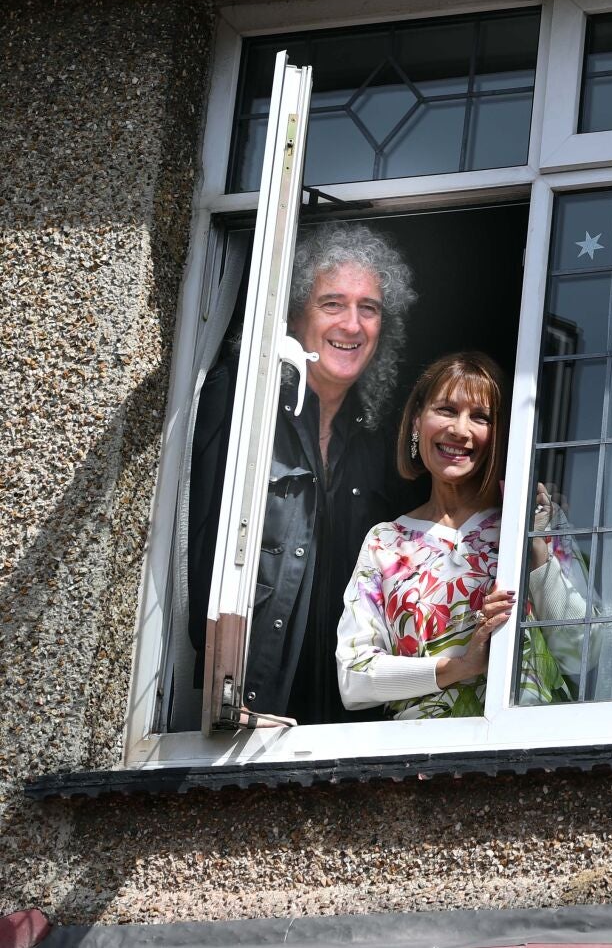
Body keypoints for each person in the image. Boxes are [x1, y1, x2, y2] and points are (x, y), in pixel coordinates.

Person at [188, 223, 422, 727]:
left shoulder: (379, 438)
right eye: (332, 304)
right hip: (244, 707)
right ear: (294, 315)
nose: (352, 325)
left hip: (342, 715)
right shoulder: (240, 402)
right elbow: (189, 543)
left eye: (370, 309)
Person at [336, 352, 588, 719]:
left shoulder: (534, 520)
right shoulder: (386, 542)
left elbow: (582, 652)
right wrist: (461, 666)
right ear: (417, 421)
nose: (460, 429)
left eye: (480, 417)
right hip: (419, 762)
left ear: (499, 435)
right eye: (447, 410)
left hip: (527, 752)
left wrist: (535, 545)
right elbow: (353, 677)